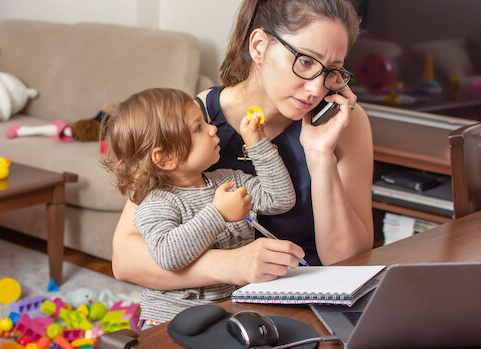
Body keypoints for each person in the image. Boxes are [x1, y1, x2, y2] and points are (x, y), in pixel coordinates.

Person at [112, 0, 373, 291]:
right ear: (259, 46)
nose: (316, 89)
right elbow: (125, 259)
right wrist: (232, 264)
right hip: (225, 303)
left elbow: (350, 264)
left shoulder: (345, 123)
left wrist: (319, 155)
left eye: (331, 71)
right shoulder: (202, 120)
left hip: (312, 296)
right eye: (306, 62)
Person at [101, 88, 295, 326]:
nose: (213, 129)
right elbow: (168, 256)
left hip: (230, 314)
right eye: (199, 128)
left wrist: (257, 143)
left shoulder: (228, 180)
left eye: (206, 122)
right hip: (173, 321)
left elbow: (280, 199)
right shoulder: (156, 202)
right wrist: (218, 215)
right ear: (165, 158)